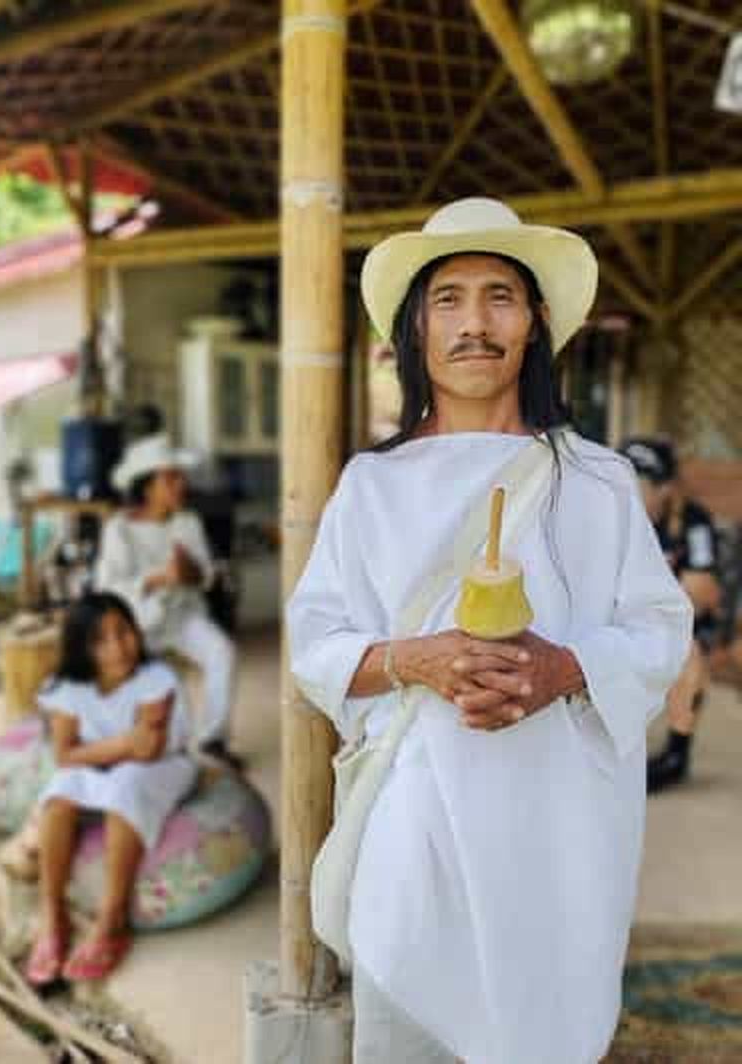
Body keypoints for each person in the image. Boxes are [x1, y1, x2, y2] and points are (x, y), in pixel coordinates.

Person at [287, 198, 692, 1064]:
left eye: (501, 296)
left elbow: (659, 632)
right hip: (417, 813)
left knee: (540, 1030)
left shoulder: (598, 480)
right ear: (416, 334)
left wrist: (567, 666)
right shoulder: (372, 486)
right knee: (406, 1020)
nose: (476, 323)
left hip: (561, 823)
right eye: (449, 300)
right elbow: (314, 643)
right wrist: (413, 659)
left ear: (537, 326)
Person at [25, 592, 198, 985]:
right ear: (81, 648)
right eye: (100, 640)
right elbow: (66, 755)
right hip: (97, 767)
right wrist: (123, 742)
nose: (118, 646)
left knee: (127, 782)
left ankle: (112, 917)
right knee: (58, 792)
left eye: (124, 632)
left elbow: (149, 748)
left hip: (161, 766)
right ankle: (52, 914)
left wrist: (106, 749)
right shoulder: (65, 686)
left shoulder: (157, 679)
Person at [96, 433, 242, 771]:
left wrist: (191, 574)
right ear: (147, 486)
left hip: (183, 616)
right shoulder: (119, 529)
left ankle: (212, 740)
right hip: (137, 623)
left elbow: (206, 576)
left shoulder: (188, 522)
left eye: (181, 477)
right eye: (171, 477)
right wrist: (159, 577)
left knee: (222, 651)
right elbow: (108, 589)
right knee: (159, 692)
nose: (181, 484)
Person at [619, 437, 722, 792]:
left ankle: (677, 752)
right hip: (620, 622)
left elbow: (703, 593)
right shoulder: (607, 518)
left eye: (639, 485)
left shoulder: (692, 523)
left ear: (664, 489)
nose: (627, 493)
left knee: (684, 649)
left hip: (679, 626)